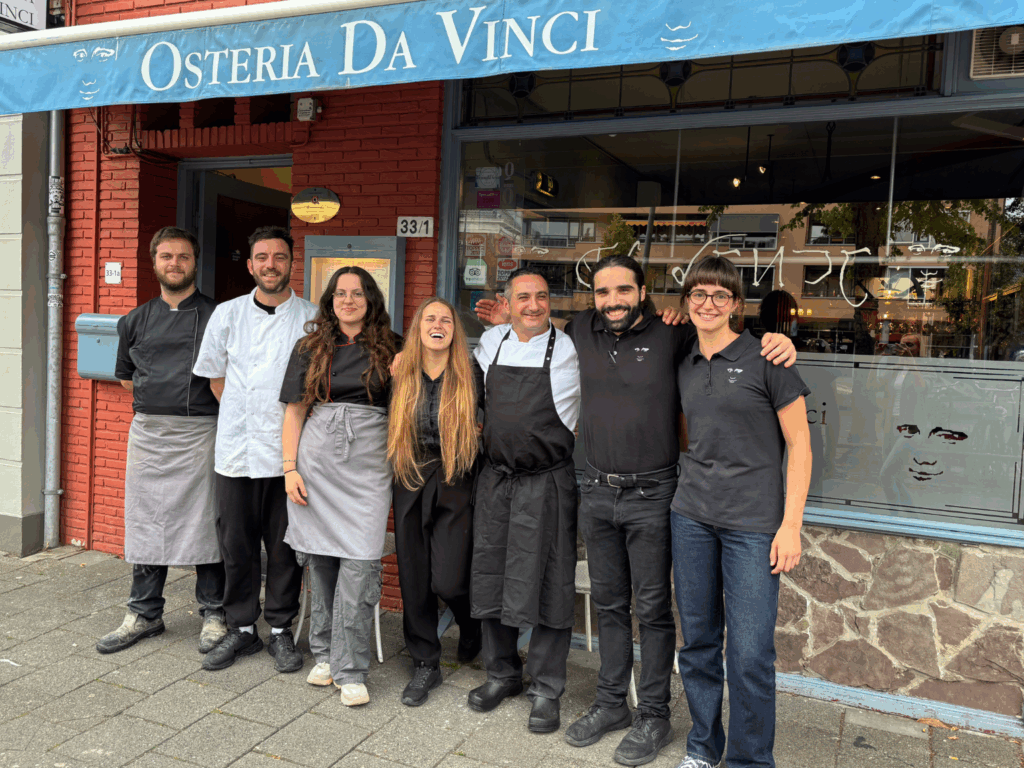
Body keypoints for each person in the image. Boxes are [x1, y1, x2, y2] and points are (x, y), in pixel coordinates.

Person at [476, 255, 796, 765]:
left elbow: (725, 339)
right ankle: (610, 704)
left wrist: (776, 340)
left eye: (623, 291)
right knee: (608, 607)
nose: (613, 301)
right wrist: (506, 317)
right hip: (597, 492)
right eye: (603, 293)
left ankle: (653, 714)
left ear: (643, 292)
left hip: (655, 494)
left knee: (651, 610)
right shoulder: (581, 328)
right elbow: (540, 326)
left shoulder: (674, 335)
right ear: (593, 298)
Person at [672, 255, 812, 768]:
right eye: (699, 293)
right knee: (698, 643)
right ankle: (703, 748)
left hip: (753, 527)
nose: (708, 303)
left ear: (736, 304)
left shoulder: (768, 360)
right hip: (690, 518)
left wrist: (791, 525)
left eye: (720, 295)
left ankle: (750, 760)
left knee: (750, 654)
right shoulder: (684, 359)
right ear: (687, 301)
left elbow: (800, 446)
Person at [192, 226, 317, 672]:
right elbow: (215, 377)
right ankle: (241, 628)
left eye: (279, 257)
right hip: (236, 453)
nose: (270, 265)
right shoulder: (226, 315)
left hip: (290, 457)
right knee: (236, 544)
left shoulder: (313, 318)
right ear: (250, 265)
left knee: (285, 547)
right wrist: (247, 414)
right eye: (261, 257)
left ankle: (281, 631)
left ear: (290, 263)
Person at [97, 226, 226, 656]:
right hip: (150, 434)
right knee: (147, 520)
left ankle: (214, 612)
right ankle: (145, 612)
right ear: (154, 263)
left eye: (183, 256)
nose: (175, 264)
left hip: (201, 432)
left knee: (206, 521)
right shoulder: (134, 319)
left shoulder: (216, 316)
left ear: (195, 262)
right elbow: (124, 377)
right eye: (167, 256)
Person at [280, 266, 400, 707]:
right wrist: (289, 468)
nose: (348, 300)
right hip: (316, 463)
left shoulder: (394, 348)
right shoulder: (309, 347)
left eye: (358, 293)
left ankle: (353, 668)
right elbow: (294, 412)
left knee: (361, 564)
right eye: (340, 293)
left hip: (368, 469)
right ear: (330, 300)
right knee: (321, 561)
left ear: (371, 300)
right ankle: (327, 655)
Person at [467, 267, 580, 735]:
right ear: (506, 302)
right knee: (493, 576)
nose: (533, 306)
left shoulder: (573, 349)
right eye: (523, 298)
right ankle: (501, 674)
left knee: (552, 583)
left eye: (540, 297)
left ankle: (547, 688)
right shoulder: (490, 343)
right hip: (495, 479)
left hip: (548, 481)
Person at [388, 297, 483, 707]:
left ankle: (471, 625)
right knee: (413, 575)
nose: (438, 324)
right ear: (418, 328)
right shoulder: (400, 370)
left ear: (454, 331)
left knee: (448, 577)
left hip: (455, 475)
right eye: (430, 318)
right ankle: (425, 662)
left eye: (446, 319)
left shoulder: (470, 372)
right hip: (410, 473)